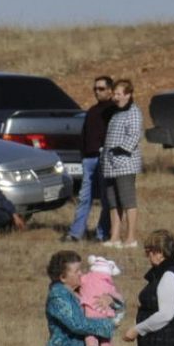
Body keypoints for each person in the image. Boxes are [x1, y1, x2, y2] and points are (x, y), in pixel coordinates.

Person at [68, 75, 114, 242]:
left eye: (101, 89)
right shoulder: (92, 111)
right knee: (84, 197)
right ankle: (75, 233)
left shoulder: (113, 111)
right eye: (95, 89)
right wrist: (83, 154)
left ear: (110, 90)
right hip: (88, 159)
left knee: (106, 198)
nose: (97, 92)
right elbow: (84, 134)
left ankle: (102, 234)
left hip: (104, 158)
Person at [101, 79, 144, 247]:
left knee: (128, 201)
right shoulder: (116, 112)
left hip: (125, 163)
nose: (116, 97)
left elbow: (134, 135)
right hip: (110, 164)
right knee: (113, 202)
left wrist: (120, 150)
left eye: (119, 94)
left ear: (128, 95)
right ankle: (115, 236)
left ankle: (131, 237)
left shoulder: (133, 112)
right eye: (115, 94)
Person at [77, 254, 123, 346]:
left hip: (91, 313)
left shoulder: (86, 278)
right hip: (106, 316)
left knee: (90, 334)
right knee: (105, 338)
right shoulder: (109, 284)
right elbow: (118, 299)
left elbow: (77, 282)